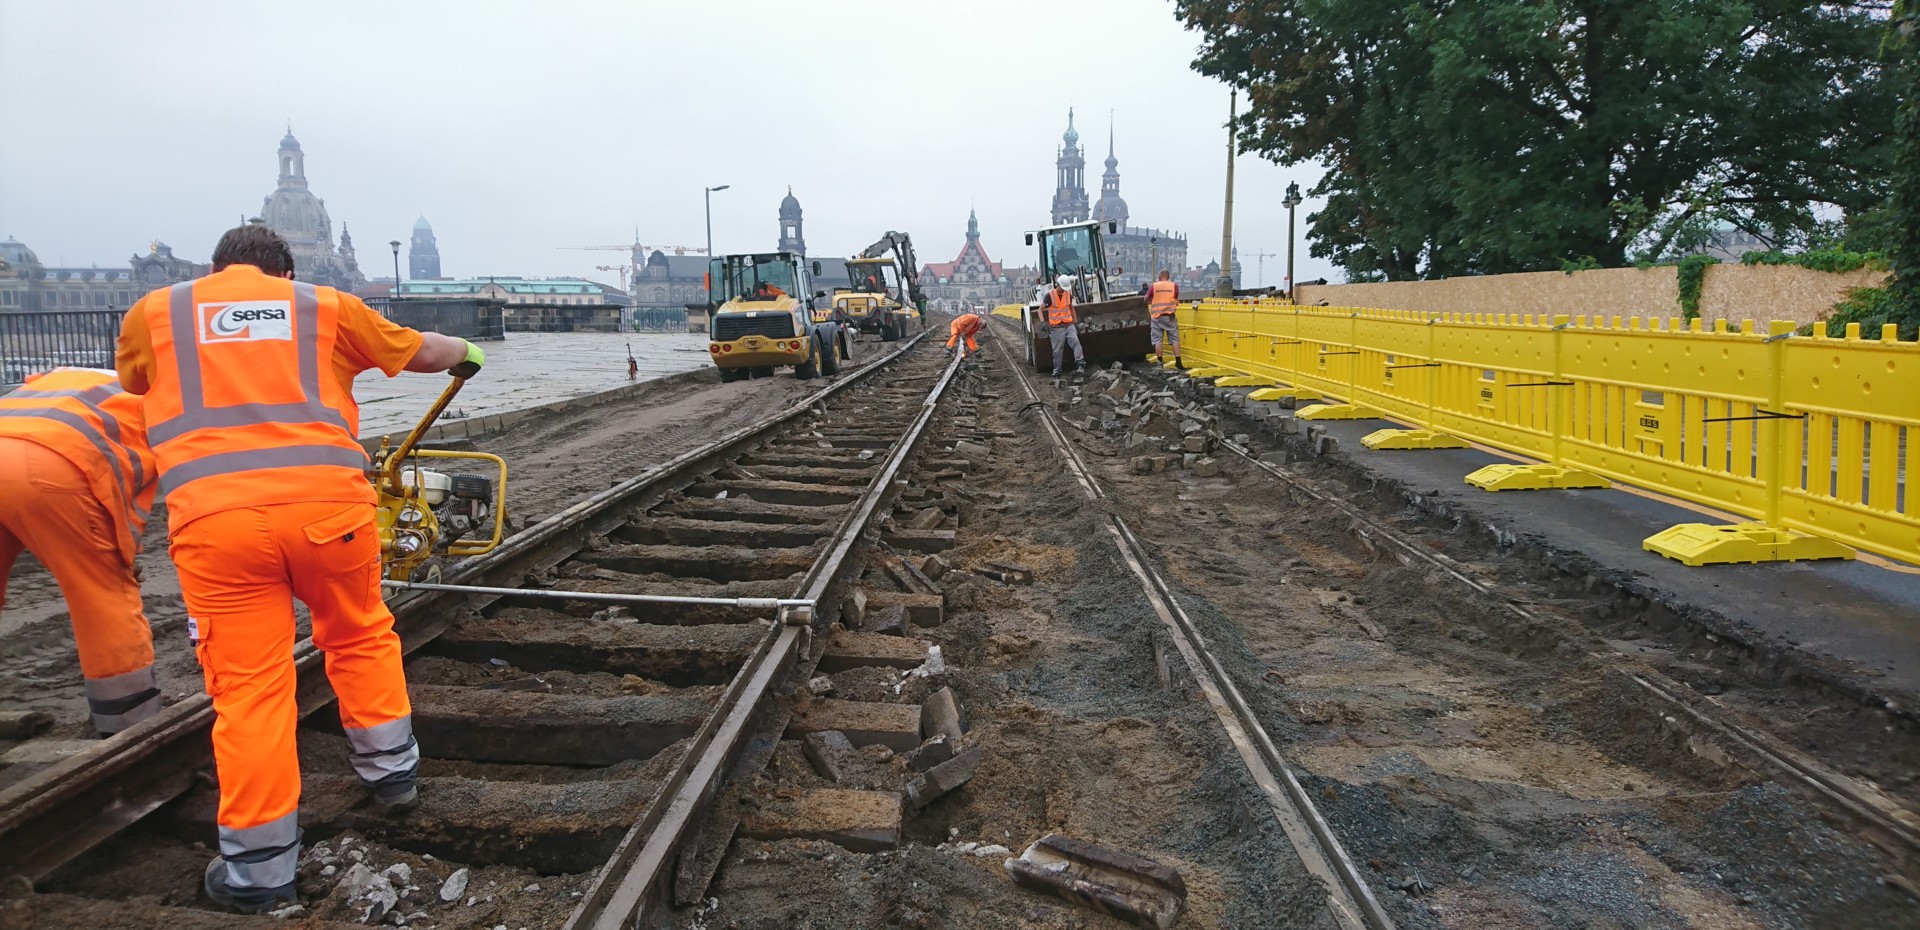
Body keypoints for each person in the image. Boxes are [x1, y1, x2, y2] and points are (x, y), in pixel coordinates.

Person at [114, 224, 484, 913]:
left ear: (218, 268)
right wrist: (467, 352)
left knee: (251, 688)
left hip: (218, 524)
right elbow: (421, 351)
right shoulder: (322, 306)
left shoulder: (156, 311)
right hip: (329, 513)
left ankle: (257, 873)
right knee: (358, 632)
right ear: (284, 273)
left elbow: (134, 381)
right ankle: (393, 775)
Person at [0, 367, 160, 736]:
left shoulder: (69, 377)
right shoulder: (163, 401)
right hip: (54, 462)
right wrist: (121, 558)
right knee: (101, 595)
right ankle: (129, 724)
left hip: (19, 436)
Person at [1044, 274, 1086, 378]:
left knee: (1075, 341)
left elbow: (1071, 308)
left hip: (1069, 325)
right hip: (1056, 327)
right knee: (1058, 350)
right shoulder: (1049, 296)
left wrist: (1075, 323)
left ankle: (1080, 364)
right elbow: (1040, 309)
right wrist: (1042, 322)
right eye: (1062, 288)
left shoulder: (1068, 295)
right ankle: (1057, 371)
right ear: (1057, 285)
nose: (1063, 290)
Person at [1147, 270, 1182, 369]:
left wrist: (1152, 300)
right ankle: (1178, 362)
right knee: (1175, 339)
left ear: (1159, 277)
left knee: (1158, 340)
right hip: (1170, 316)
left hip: (1157, 317)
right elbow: (1175, 297)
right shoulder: (1174, 286)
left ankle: (1160, 363)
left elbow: (1146, 298)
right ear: (1168, 276)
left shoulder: (1154, 286)